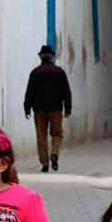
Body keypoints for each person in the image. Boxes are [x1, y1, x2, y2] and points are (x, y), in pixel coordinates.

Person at [23, 44, 72, 172]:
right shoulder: (59, 72)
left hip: (39, 110)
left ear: (41, 57)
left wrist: (27, 108)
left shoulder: (35, 73)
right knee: (57, 134)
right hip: (55, 109)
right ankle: (54, 153)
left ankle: (45, 163)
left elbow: (30, 92)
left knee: (41, 136)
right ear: (51, 57)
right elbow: (66, 92)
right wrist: (67, 109)